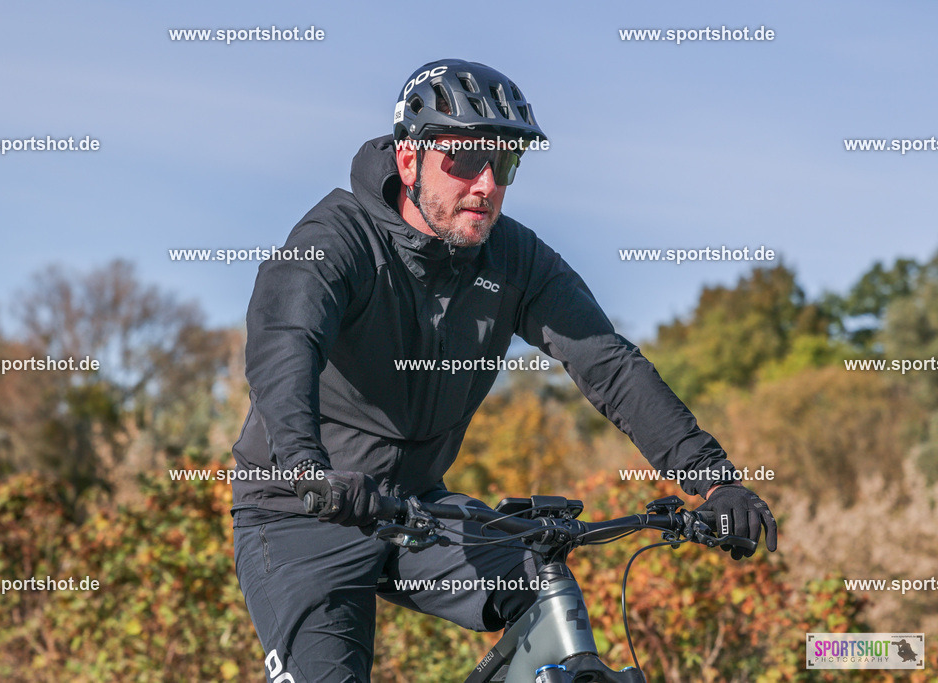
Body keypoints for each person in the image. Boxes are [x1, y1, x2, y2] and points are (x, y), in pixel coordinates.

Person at [231, 58, 777, 682]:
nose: (486, 184)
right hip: (305, 512)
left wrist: (713, 480)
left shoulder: (512, 257)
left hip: (415, 509)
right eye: (463, 160)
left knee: (545, 590)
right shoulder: (337, 239)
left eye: (505, 163)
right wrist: (305, 466)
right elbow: (285, 342)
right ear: (409, 160)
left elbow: (607, 361)